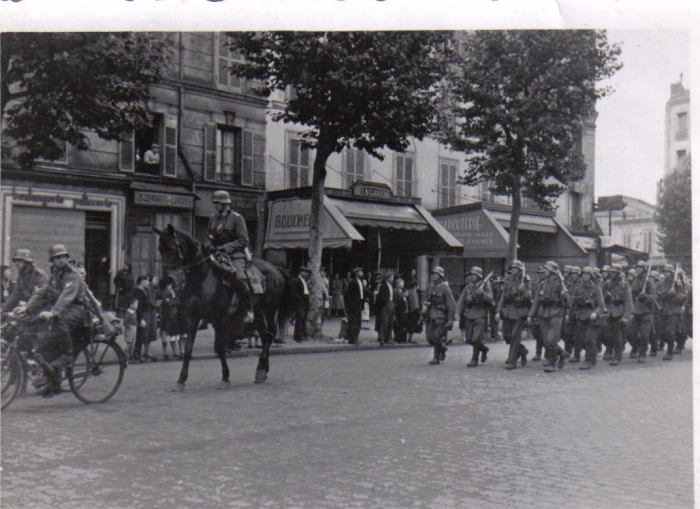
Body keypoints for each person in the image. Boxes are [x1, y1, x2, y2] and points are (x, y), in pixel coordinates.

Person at [22, 244, 88, 397]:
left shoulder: (74, 275)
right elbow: (43, 292)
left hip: (76, 310)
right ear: (52, 261)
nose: (59, 260)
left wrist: (52, 312)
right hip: (62, 310)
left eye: (62, 257)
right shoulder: (55, 275)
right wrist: (27, 307)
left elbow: (66, 297)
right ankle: (53, 385)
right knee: (45, 341)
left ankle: (68, 355)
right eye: (56, 258)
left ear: (66, 258)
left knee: (59, 322)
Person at [205, 190, 255, 324]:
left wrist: (225, 247)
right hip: (217, 254)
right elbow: (210, 237)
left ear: (225, 204)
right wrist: (209, 245)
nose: (215, 206)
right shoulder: (213, 218)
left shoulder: (237, 218)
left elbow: (243, 240)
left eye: (218, 204)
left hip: (235, 255)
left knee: (239, 278)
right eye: (215, 203)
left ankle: (249, 311)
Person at [528, 261, 569, 373]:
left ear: (551, 271)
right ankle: (561, 354)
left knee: (551, 339)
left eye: (546, 269)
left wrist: (564, 295)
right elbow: (536, 300)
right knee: (546, 341)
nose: (544, 271)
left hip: (556, 313)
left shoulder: (560, 283)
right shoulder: (542, 283)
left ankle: (552, 363)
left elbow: (567, 301)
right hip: (543, 313)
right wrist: (531, 315)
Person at [496, 260, 532, 370]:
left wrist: (524, 291)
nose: (513, 270)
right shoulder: (508, 280)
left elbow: (530, 296)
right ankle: (522, 350)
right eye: (512, 268)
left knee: (515, 336)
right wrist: (498, 310)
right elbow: (503, 296)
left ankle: (512, 361)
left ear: (520, 270)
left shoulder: (525, 280)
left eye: (516, 268)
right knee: (507, 336)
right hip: (508, 311)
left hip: (520, 311)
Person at [568, 267, 606, 370]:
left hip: (592, 317)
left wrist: (595, 313)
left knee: (589, 339)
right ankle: (588, 354)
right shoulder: (577, 288)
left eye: (587, 275)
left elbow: (601, 305)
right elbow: (572, 303)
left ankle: (587, 361)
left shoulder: (596, 288)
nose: (585, 276)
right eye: (584, 274)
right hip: (580, 316)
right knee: (579, 338)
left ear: (591, 277)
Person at [457, 266, 493, 367]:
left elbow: (490, 299)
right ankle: (484, 349)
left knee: (476, 338)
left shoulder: (485, 286)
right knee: (468, 339)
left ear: (479, 276)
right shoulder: (468, 287)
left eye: (474, 275)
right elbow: (461, 300)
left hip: (480, 314)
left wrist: (483, 294)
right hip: (469, 314)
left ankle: (474, 359)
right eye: (471, 275)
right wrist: (457, 312)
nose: (471, 277)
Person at [423, 266, 456, 365]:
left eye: (436, 274)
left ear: (441, 276)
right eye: (432, 274)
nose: (433, 276)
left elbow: (451, 304)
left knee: (436, 337)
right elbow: (426, 299)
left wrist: (450, 319)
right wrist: (424, 306)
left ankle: (436, 358)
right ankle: (442, 347)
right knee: (430, 338)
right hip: (430, 315)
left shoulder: (445, 288)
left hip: (440, 316)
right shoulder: (430, 286)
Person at [626, 260, 657, 363]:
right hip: (635, 311)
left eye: (640, 268)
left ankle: (642, 353)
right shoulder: (634, 281)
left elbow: (654, 298)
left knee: (644, 335)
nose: (637, 270)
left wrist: (646, 296)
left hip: (646, 312)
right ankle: (636, 347)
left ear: (644, 270)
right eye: (637, 268)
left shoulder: (648, 282)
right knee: (630, 333)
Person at [603, 263, 633, 366]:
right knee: (607, 335)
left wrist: (626, 317)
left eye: (614, 272)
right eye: (611, 272)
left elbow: (628, 302)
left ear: (618, 273)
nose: (611, 274)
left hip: (619, 313)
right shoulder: (607, 284)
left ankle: (617, 357)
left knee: (618, 337)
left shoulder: (625, 285)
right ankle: (609, 350)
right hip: (609, 312)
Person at [656, 264, 688, 361]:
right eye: (665, 272)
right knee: (661, 332)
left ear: (672, 273)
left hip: (673, 311)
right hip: (663, 310)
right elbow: (658, 296)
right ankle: (671, 343)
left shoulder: (678, 284)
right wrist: (666, 293)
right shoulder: (660, 283)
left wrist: (674, 295)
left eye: (668, 272)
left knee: (669, 331)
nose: (666, 273)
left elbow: (682, 298)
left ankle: (670, 351)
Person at [2, 248, 48, 315]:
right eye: (16, 261)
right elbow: (15, 294)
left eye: (19, 261)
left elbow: (39, 296)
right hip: (28, 308)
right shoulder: (21, 276)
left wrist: (26, 307)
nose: (16, 263)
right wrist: (3, 309)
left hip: (41, 310)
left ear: (27, 262)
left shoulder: (39, 275)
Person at [133, 275, 159, 362]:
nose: (148, 283)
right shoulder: (138, 291)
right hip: (142, 314)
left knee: (143, 334)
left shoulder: (144, 291)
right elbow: (138, 306)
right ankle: (137, 354)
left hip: (145, 313)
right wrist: (141, 318)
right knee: (140, 335)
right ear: (142, 281)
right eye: (146, 281)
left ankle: (142, 353)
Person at [159, 277, 181, 360]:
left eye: (171, 285)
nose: (170, 287)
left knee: (174, 334)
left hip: (174, 315)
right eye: (168, 285)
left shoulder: (173, 293)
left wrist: (174, 297)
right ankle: (165, 352)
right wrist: (173, 300)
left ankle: (175, 351)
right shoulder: (163, 294)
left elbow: (178, 302)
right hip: (166, 316)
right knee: (164, 334)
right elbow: (168, 303)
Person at [344, 267, 366, 345]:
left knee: (358, 322)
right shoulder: (353, 282)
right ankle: (352, 338)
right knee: (353, 321)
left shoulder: (361, 282)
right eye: (361, 272)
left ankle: (355, 337)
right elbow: (348, 295)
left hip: (359, 303)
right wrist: (349, 305)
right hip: (354, 304)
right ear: (357, 273)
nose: (362, 273)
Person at [374, 273, 396, 345]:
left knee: (390, 321)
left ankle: (388, 338)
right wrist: (385, 303)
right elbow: (381, 296)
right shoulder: (383, 286)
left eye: (393, 277)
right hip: (386, 304)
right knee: (384, 321)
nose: (392, 279)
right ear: (387, 278)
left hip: (391, 303)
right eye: (391, 277)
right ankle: (382, 337)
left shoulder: (391, 286)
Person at [291, 265, 311, 343]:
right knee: (300, 318)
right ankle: (298, 336)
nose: (306, 274)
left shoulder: (304, 281)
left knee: (303, 318)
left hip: (305, 301)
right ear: (301, 272)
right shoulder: (297, 280)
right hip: (301, 302)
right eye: (305, 272)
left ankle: (301, 335)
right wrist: (300, 299)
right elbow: (295, 292)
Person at [122, 297, 139, 363]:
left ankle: (131, 357)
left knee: (132, 343)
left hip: (134, 328)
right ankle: (126, 358)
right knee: (128, 343)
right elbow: (125, 322)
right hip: (130, 329)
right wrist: (128, 325)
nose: (137, 305)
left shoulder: (134, 311)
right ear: (130, 304)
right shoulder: (128, 312)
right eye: (135, 304)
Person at [392, 278, 408, 343]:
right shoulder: (396, 291)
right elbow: (396, 300)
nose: (403, 284)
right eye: (402, 283)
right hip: (398, 310)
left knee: (402, 324)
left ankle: (402, 338)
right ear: (398, 284)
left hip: (402, 310)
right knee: (398, 324)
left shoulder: (401, 291)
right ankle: (398, 338)